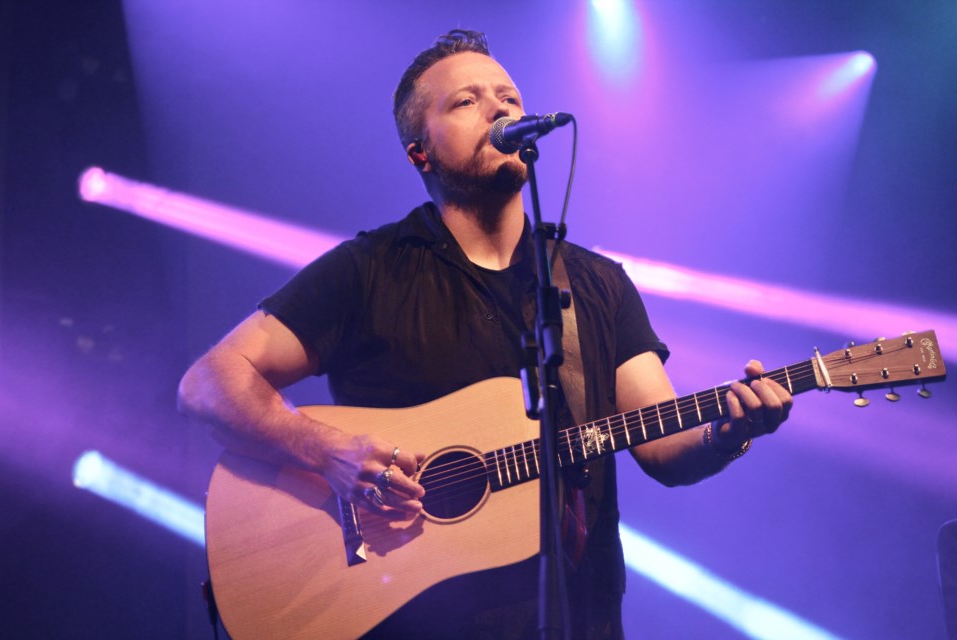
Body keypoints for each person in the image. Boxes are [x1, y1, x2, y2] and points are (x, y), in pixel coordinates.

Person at [178, 29, 793, 639]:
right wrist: (326, 453)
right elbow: (208, 384)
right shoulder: (368, 271)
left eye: (509, 97)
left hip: (580, 619)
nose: (500, 108)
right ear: (420, 152)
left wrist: (726, 432)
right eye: (466, 101)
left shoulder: (597, 285)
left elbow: (663, 446)